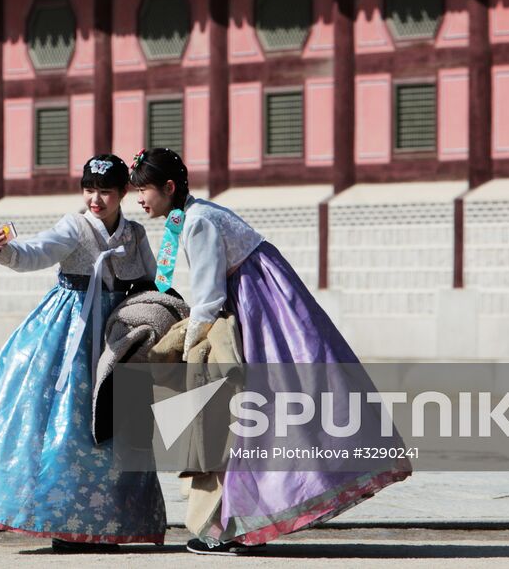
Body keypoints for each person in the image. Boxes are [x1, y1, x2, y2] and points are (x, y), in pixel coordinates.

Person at [129, 147, 412, 555]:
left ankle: (235, 525)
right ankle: (237, 523)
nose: (139, 198)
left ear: (168, 188)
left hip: (257, 308)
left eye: (144, 190)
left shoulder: (198, 222)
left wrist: (188, 342)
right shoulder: (190, 216)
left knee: (247, 415)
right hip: (261, 300)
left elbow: (208, 297)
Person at [0, 154, 168, 551]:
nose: (95, 199)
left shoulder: (135, 235)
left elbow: (151, 281)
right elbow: (37, 250)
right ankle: (63, 520)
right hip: (70, 329)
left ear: (123, 193)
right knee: (63, 423)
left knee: (116, 425)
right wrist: (5, 251)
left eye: (105, 191)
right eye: (89, 190)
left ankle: (110, 522)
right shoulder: (74, 226)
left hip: (116, 334)